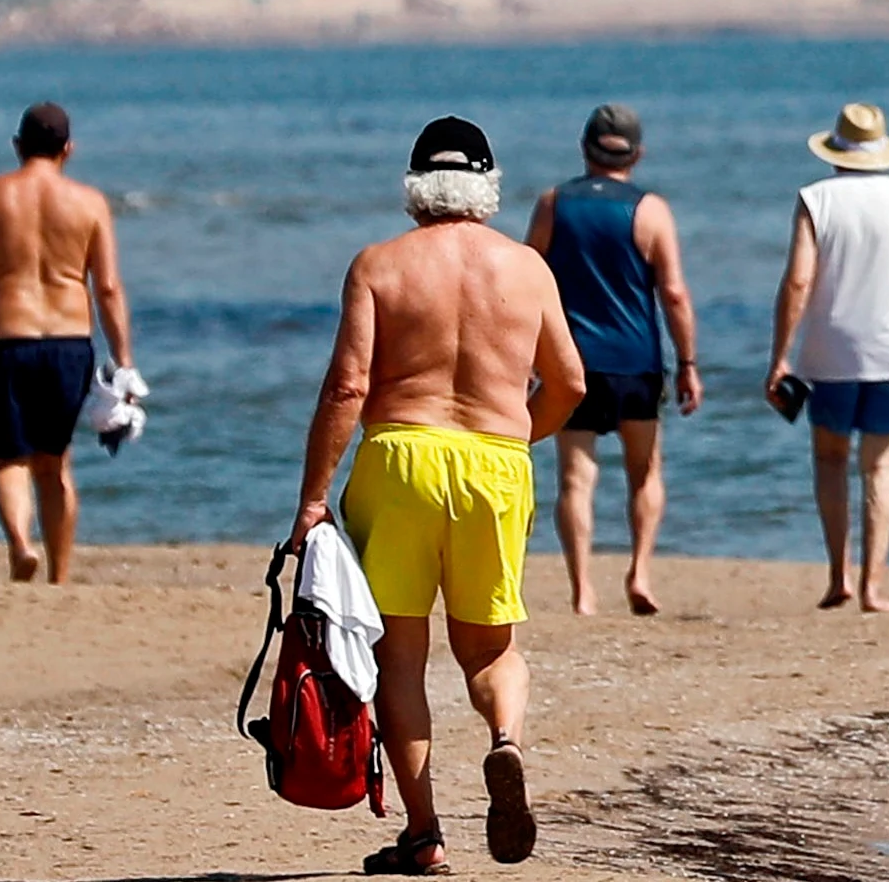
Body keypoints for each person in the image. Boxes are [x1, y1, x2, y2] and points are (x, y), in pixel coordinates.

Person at [291, 116, 585, 874]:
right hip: (494, 459)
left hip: (400, 459)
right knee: (490, 647)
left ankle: (424, 835)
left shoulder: (379, 265)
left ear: (415, 187)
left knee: (399, 657)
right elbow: (571, 382)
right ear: (487, 188)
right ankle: (505, 741)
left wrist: (313, 499)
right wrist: (517, 439)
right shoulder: (525, 268)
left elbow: (349, 385)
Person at [0, 102, 134, 584]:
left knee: (9, 460)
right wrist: (125, 361)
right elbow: (109, 288)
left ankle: (20, 543)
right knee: (55, 463)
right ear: (68, 150)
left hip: (7, 341)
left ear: (17, 145)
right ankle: (59, 573)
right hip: (69, 343)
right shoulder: (91, 203)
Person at [523, 103, 702, 617]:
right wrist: (688, 361)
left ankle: (583, 591)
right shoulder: (651, 210)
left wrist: (529, 355)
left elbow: (528, 275)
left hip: (571, 360)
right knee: (644, 470)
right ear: (637, 154)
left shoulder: (553, 203)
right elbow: (674, 294)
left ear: (585, 147)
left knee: (576, 478)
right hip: (635, 361)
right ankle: (640, 570)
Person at [766, 101, 889, 615]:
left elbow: (799, 279)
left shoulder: (815, 199)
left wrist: (780, 356)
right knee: (881, 467)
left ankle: (837, 575)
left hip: (831, 353)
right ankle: (873, 587)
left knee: (830, 460)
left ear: (836, 149)